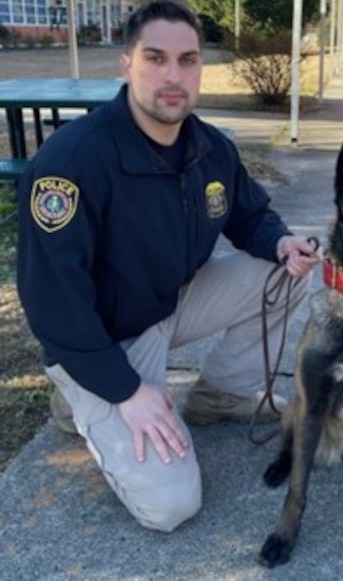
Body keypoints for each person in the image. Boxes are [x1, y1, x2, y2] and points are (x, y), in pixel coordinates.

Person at [16, 0, 320, 533]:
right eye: (155, 58)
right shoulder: (73, 161)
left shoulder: (209, 147)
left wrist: (280, 244)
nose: (173, 76)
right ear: (126, 63)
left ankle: (218, 394)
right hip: (100, 340)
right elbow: (52, 301)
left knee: (286, 274)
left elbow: (249, 215)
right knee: (170, 506)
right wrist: (126, 390)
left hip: (166, 307)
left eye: (188, 60)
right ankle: (79, 395)